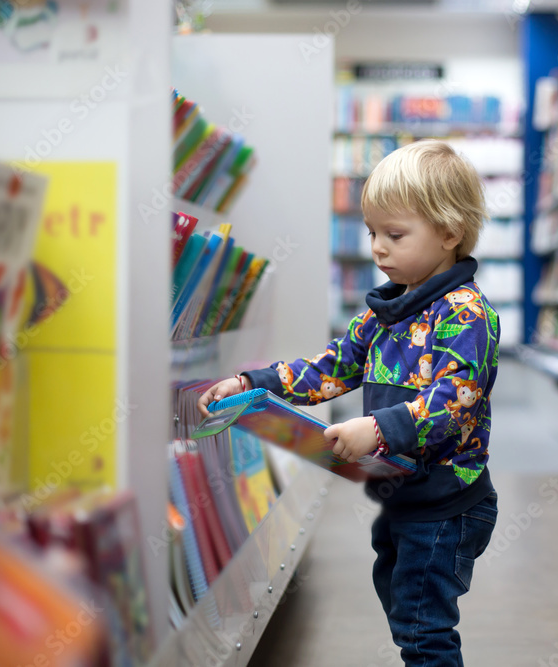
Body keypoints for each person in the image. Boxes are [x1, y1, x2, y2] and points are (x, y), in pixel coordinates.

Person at [197, 139, 500, 666]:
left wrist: (377, 429)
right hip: (403, 491)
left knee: (424, 625)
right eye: (372, 233)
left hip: (449, 502)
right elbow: (330, 368)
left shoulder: (465, 313)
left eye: (395, 234)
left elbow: (454, 402)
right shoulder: (385, 314)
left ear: (450, 232)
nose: (377, 248)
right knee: (402, 604)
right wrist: (253, 381)